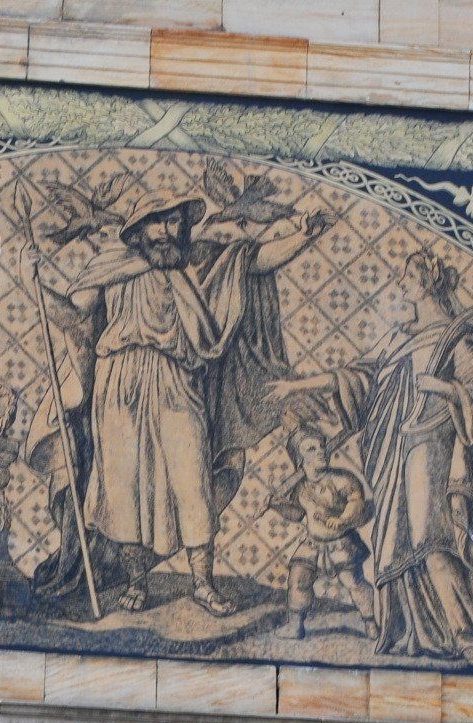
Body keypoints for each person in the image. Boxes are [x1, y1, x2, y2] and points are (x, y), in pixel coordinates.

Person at [26, 190, 333, 616]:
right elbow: (75, 318)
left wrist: (305, 236)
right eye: (159, 222)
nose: (168, 231)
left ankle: (203, 584)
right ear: (138, 231)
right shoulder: (112, 266)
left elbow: (254, 261)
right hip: (119, 382)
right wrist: (35, 286)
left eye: (174, 222)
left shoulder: (196, 263)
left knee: (192, 484)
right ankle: (136, 582)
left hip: (177, 377)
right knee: (123, 490)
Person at [270, 249, 473, 667]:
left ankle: (466, 633)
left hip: (432, 449)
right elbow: (358, 377)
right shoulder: (398, 335)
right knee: (395, 542)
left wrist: (445, 388)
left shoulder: (460, 336)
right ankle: (406, 630)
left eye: (407, 278)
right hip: (390, 453)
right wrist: (297, 387)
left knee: (432, 539)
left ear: (426, 283)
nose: (401, 286)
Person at [268, 420, 375, 639]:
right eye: (312, 449)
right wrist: (278, 505)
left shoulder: (341, 479)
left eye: (322, 447)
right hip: (312, 542)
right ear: (301, 459)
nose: (321, 452)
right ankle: (295, 626)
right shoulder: (300, 487)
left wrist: (343, 519)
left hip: (341, 541)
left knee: (352, 582)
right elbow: (298, 514)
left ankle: (371, 623)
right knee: (298, 580)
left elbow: (356, 501)